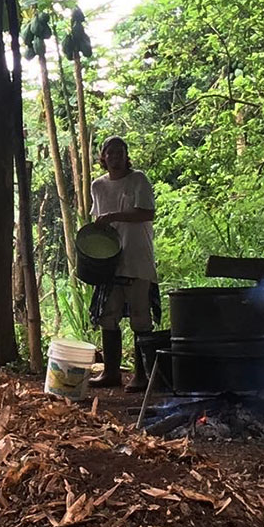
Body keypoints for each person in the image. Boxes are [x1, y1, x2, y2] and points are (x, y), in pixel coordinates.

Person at [87, 136, 158, 392]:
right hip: (110, 260)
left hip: (137, 256)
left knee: (140, 317)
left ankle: (142, 376)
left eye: (120, 152)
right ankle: (111, 373)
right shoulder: (98, 186)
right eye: (110, 152)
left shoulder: (138, 179)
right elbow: (97, 222)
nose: (115, 156)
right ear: (103, 157)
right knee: (109, 315)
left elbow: (147, 213)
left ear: (126, 155)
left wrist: (114, 216)